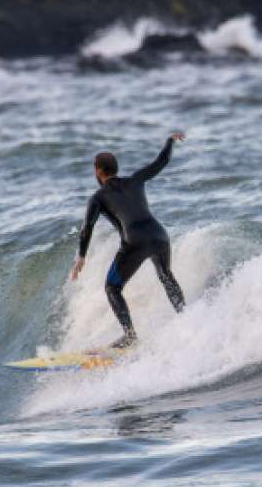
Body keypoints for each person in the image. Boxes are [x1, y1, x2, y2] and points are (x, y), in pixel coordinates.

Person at [69, 132, 187, 348]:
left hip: (134, 241)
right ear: (115, 169)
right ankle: (187, 318)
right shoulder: (136, 180)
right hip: (159, 235)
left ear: (98, 170)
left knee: (112, 288)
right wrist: (170, 141)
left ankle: (130, 335)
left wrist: (81, 257)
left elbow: (87, 228)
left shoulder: (98, 197)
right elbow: (162, 161)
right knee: (166, 276)